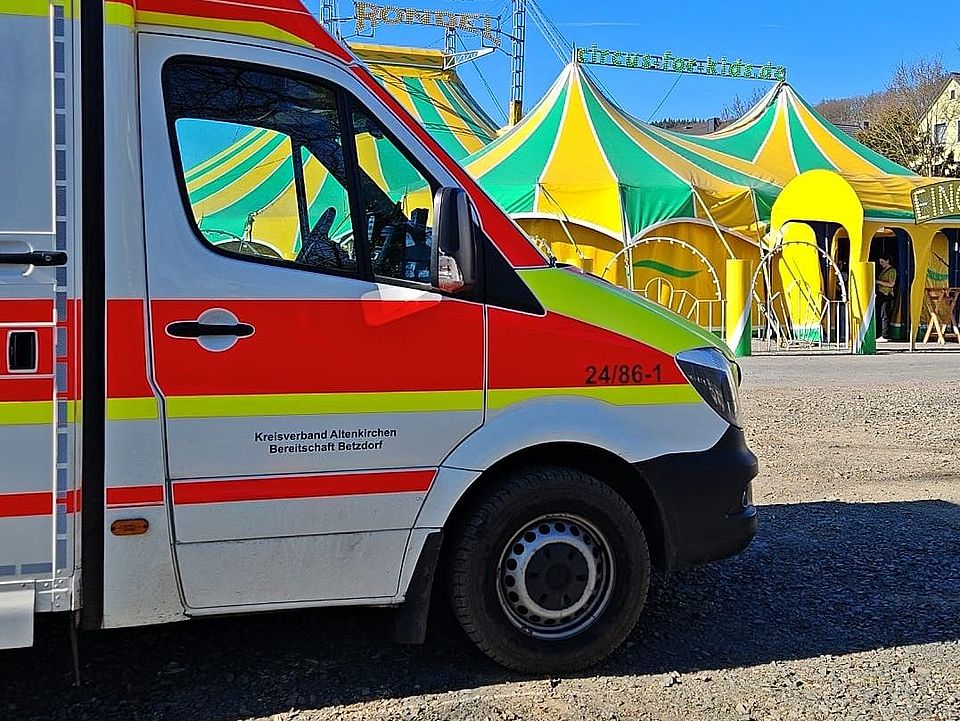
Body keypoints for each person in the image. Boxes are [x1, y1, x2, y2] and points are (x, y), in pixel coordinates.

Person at [875, 253, 897, 342]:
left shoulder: (892, 271)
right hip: (881, 293)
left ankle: (885, 335)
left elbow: (891, 283)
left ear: (887, 261)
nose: (881, 263)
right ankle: (881, 333)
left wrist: (878, 281)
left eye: (882, 261)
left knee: (885, 315)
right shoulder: (883, 270)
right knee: (881, 314)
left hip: (887, 294)